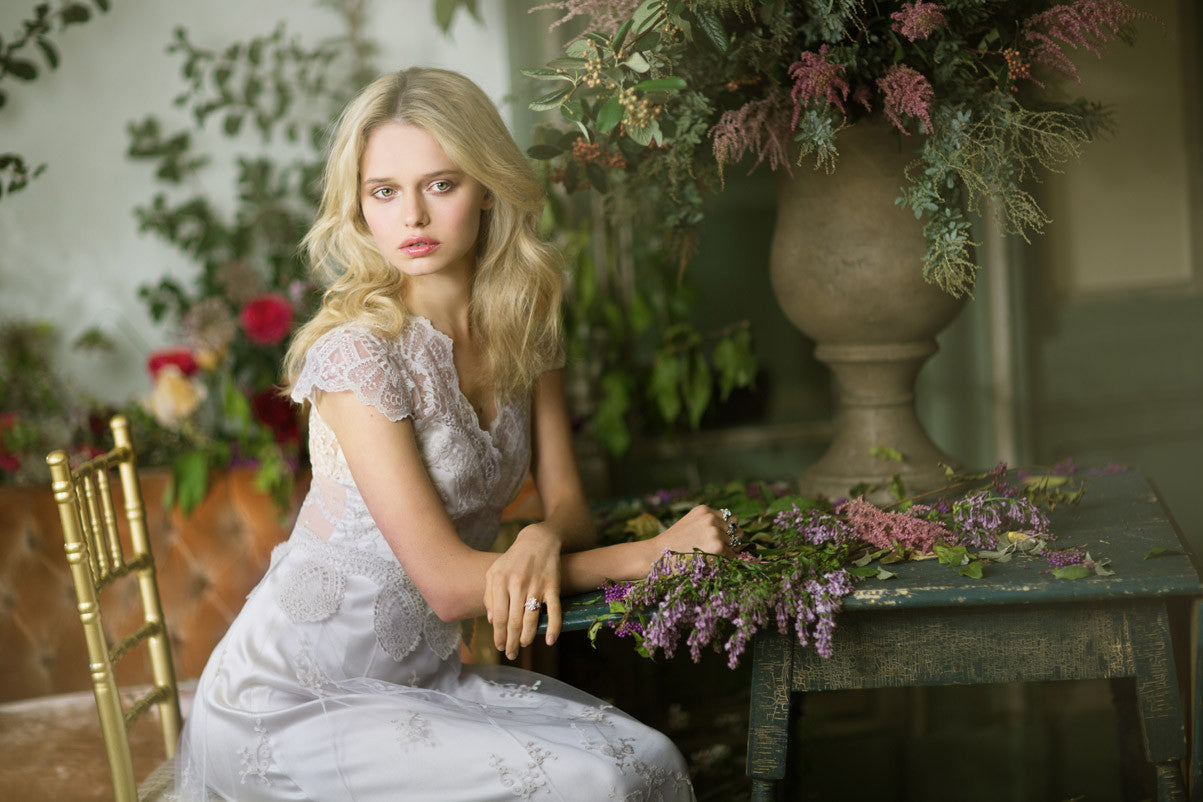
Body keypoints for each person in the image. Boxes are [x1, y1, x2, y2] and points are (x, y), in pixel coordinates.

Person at [174, 67, 742, 801]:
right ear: (358, 207)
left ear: (487, 187)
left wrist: (538, 537)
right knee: (594, 782)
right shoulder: (357, 355)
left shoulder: (523, 323)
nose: (412, 217)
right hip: (291, 702)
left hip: (418, 681)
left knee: (651, 758)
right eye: (384, 192)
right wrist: (651, 557)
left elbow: (566, 504)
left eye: (440, 184)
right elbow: (445, 587)